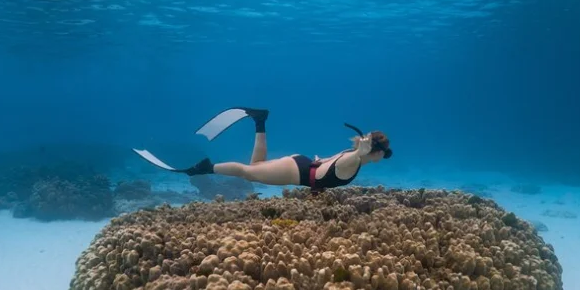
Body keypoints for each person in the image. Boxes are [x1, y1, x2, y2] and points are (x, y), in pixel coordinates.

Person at [132, 108, 392, 193]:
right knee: (248, 173)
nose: (384, 157)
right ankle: (203, 168)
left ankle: (259, 120)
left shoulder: (351, 157)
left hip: (302, 165)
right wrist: (361, 151)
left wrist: (356, 151)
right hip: (297, 172)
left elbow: (329, 160)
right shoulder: (354, 161)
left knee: (255, 165)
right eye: (383, 152)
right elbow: (350, 159)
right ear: (376, 152)